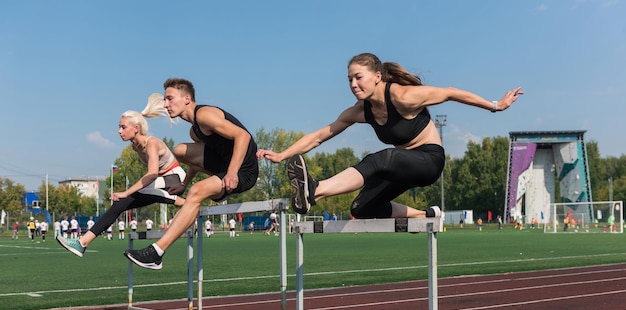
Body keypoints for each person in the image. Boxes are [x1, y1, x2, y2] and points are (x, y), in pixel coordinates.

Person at [258, 53, 523, 219]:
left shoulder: (403, 96)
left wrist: (495, 105)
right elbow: (320, 135)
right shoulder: (361, 111)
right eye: (349, 79)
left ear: (376, 76)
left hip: (428, 161)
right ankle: (427, 214)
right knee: (361, 208)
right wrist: (283, 155)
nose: (353, 85)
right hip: (400, 166)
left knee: (380, 159)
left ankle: (315, 191)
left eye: (358, 78)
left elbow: (451, 92)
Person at [124, 78, 259, 269]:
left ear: (187, 99)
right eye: (164, 100)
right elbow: (198, 160)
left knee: (197, 192)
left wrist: (232, 173)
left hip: (244, 170)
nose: (165, 105)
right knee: (179, 150)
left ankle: (157, 253)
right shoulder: (195, 131)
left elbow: (243, 136)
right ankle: (214, 183)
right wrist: (184, 183)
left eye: (170, 99)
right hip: (225, 164)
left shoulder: (205, 115)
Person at [56, 93, 186, 257]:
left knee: (134, 191)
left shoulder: (150, 143)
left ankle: (183, 203)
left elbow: (152, 174)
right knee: (119, 205)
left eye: (123, 127)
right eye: (119, 127)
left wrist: (127, 191)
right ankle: (82, 243)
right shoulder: (136, 147)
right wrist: (127, 195)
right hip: (159, 184)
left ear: (136, 128)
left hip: (175, 179)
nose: (119, 131)